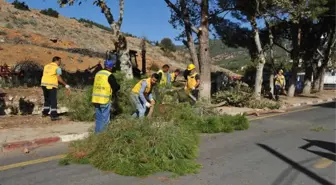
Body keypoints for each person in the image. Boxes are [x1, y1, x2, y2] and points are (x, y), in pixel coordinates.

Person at [92, 59, 120, 133]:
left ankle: (97, 134)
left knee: (98, 118)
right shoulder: (109, 75)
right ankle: (103, 136)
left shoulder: (98, 73)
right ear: (111, 67)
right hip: (104, 100)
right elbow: (116, 87)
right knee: (105, 119)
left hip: (95, 99)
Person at [41, 56, 70, 121]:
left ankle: (45, 113)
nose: (60, 63)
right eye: (60, 61)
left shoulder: (46, 66)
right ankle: (53, 115)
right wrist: (65, 85)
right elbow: (58, 77)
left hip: (43, 84)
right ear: (57, 61)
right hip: (51, 85)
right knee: (53, 100)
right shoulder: (57, 68)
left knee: (47, 99)